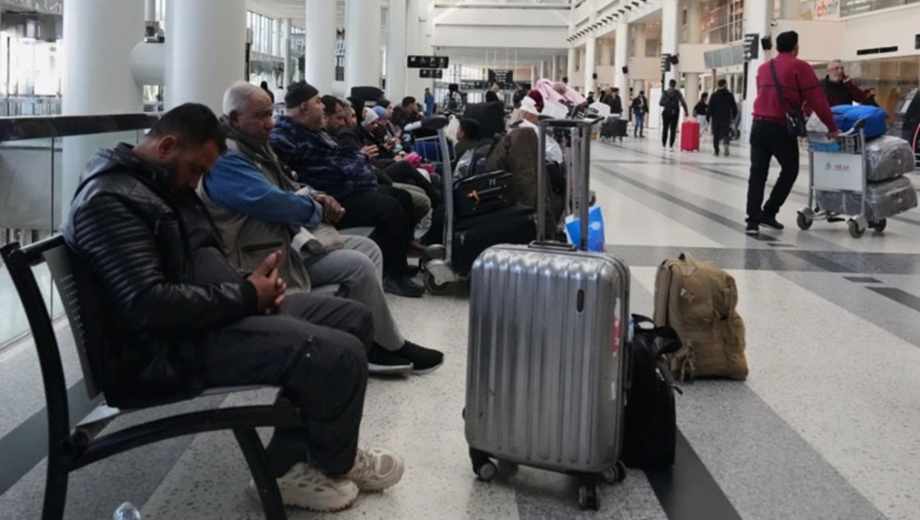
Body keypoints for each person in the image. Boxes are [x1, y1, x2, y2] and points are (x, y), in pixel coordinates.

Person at [63, 103, 404, 512]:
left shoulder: (158, 187)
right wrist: (245, 296)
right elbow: (147, 305)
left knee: (352, 318)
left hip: (204, 321)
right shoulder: (109, 201)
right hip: (160, 352)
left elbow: (192, 265)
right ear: (167, 147)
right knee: (338, 354)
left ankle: (297, 461)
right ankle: (332, 464)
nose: (196, 182)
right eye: (195, 170)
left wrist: (248, 285)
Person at [202, 82, 444, 374]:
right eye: (261, 116)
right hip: (260, 258)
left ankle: (376, 337)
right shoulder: (228, 160)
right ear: (234, 118)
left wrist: (315, 195)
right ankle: (385, 345)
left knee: (369, 247)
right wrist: (316, 206)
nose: (270, 122)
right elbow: (274, 202)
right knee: (360, 260)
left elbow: (290, 183)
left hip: (284, 242)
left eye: (270, 113)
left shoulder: (257, 147)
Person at [271, 82, 425, 297]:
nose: (322, 107)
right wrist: (357, 164)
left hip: (349, 188)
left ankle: (396, 263)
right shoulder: (283, 138)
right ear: (304, 106)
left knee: (403, 197)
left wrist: (359, 162)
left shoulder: (315, 132)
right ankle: (392, 276)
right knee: (391, 209)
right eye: (318, 102)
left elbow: (343, 156)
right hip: (332, 198)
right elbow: (293, 178)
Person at [747, 31, 838, 237]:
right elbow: (817, 100)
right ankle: (769, 212)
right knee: (790, 169)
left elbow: (764, 94)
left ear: (778, 47)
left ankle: (752, 221)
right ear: (796, 47)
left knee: (757, 174)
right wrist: (832, 127)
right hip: (780, 127)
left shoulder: (763, 68)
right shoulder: (800, 67)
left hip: (758, 125)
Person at [708, 79, 738, 157]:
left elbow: (710, 107)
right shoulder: (729, 95)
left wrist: (708, 117)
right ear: (725, 85)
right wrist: (733, 117)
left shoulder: (714, 95)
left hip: (716, 118)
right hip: (726, 118)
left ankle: (716, 150)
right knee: (726, 134)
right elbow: (734, 107)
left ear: (718, 85)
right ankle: (726, 146)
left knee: (716, 135)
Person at [659, 79, 688, 149]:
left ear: (669, 84)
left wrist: (667, 102)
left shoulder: (665, 92)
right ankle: (671, 146)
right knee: (673, 129)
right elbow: (683, 102)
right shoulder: (677, 93)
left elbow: (660, 103)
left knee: (665, 129)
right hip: (674, 113)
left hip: (666, 112)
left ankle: (664, 145)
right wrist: (686, 111)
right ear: (675, 85)